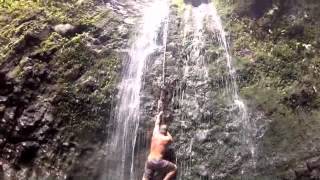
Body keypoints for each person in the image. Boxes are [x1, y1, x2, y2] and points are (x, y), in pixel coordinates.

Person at [142, 111, 177, 180]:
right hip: (158, 161)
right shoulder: (166, 139)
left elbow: (157, 124)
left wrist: (159, 115)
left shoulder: (155, 134)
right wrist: (167, 132)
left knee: (145, 178)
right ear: (166, 132)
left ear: (159, 130)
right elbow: (171, 139)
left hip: (149, 160)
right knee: (174, 168)